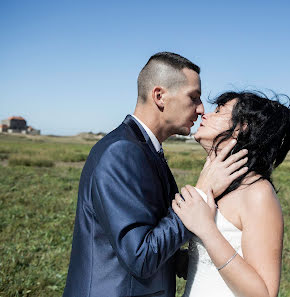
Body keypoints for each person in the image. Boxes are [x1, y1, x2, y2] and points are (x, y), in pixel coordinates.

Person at [63, 52, 248, 297]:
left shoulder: (144, 149)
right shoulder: (122, 152)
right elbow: (141, 256)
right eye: (193, 97)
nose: (201, 109)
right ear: (160, 96)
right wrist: (200, 193)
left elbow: (151, 234)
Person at [173, 91, 290, 297]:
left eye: (219, 110)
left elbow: (264, 293)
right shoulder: (220, 185)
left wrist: (206, 229)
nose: (205, 114)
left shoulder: (257, 193)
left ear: (241, 128)